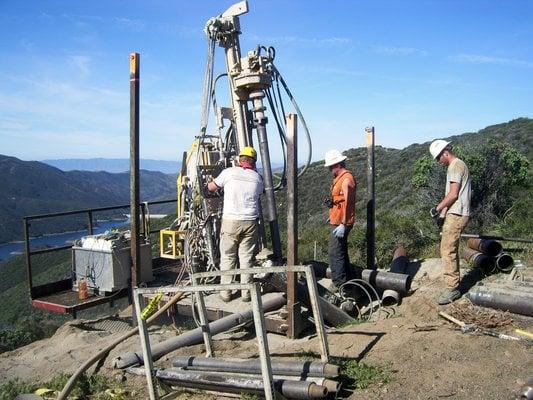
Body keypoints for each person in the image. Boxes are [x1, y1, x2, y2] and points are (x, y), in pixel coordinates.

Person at [207, 146, 263, 302]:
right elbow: (258, 193)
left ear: (239, 159)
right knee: (246, 257)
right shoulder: (257, 178)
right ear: (254, 161)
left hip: (231, 221)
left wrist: (212, 182)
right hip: (250, 221)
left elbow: (211, 188)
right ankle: (246, 293)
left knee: (228, 257)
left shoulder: (229, 172)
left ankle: (226, 293)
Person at [429, 139, 472, 305]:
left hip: (458, 213)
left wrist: (438, 208)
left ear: (444, 153)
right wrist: (443, 215)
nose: (439, 162)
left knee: (447, 249)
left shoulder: (455, 165)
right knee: (448, 248)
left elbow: (453, 195)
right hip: (454, 212)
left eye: (439, 158)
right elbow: (454, 194)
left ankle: (452, 288)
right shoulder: (456, 165)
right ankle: (453, 285)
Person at [324, 149, 356, 291]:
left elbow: (348, 204)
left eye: (331, 166)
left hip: (341, 223)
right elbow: (340, 202)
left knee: (335, 253)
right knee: (340, 252)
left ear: (338, 164)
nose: (330, 169)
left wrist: (343, 224)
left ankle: (340, 285)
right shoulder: (339, 179)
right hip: (337, 221)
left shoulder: (346, 179)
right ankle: (349, 283)